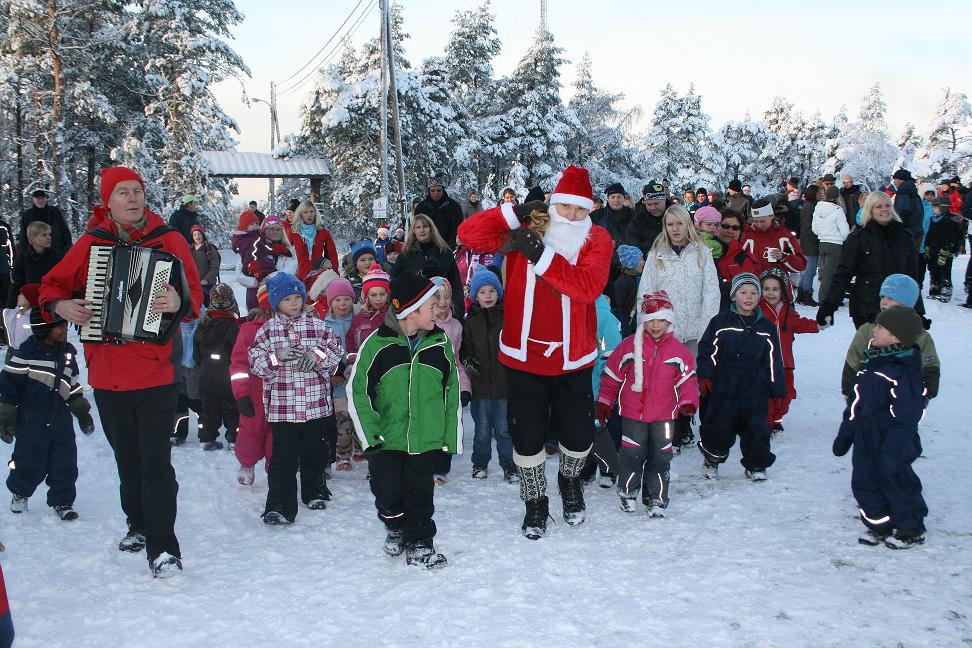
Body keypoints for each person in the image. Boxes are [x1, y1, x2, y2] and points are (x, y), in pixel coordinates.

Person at [39, 166, 203, 578]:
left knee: (156, 461)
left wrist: (175, 300)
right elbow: (50, 286)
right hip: (108, 373)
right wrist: (62, 307)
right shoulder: (93, 242)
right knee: (127, 459)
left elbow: (194, 296)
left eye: (137, 191)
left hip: (156, 371)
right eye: (123, 193)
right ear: (108, 202)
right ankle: (138, 524)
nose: (133, 198)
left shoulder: (169, 239)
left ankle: (164, 547)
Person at [457, 165, 613, 539]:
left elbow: (587, 286)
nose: (573, 216)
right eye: (566, 208)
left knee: (577, 437)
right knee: (526, 438)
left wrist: (539, 256)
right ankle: (535, 501)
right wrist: (513, 214)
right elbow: (468, 234)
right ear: (554, 204)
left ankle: (569, 483)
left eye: (581, 209)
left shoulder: (597, 239)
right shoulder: (528, 231)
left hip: (572, 357)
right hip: (523, 357)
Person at [347, 272, 460, 569]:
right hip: (387, 438)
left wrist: (450, 435)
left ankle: (421, 541)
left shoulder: (439, 342)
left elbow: (451, 390)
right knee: (388, 492)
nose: (438, 311)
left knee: (421, 492)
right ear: (411, 311)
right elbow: (358, 391)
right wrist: (370, 435)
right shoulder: (377, 344)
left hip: (425, 437)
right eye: (431, 306)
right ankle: (394, 524)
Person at [248, 272, 343, 525]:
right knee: (283, 456)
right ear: (276, 302)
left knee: (315, 450)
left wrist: (317, 358)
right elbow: (256, 363)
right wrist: (276, 357)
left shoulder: (318, 325)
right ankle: (279, 505)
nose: (293, 303)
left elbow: (336, 350)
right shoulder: (268, 331)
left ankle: (315, 490)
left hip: (315, 405)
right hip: (283, 407)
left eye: (297, 297)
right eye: (287, 298)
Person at [832, 306, 927, 549]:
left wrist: (894, 449)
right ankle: (878, 524)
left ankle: (910, 527)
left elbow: (907, 416)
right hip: (866, 436)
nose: (874, 329)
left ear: (897, 337)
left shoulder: (903, 372)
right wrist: (846, 432)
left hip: (894, 439)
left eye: (880, 327)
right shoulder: (870, 362)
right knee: (864, 480)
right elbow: (856, 402)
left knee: (896, 480)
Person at [597, 290, 698, 516]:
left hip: (664, 415)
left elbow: (688, 379)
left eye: (661, 319)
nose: (655, 325)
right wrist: (605, 401)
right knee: (632, 454)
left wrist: (689, 401)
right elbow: (612, 375)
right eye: (650, 320)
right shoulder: (629, 346)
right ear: (643, 321)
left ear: (669, 320)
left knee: (661, 457)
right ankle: (627, 491)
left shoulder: (678, 352)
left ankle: (656, 498)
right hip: (633, 413)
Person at [636, 204, 719, 450]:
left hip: (695, 329)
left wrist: (707, 327)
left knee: (689, 380)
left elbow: (711, 292)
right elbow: (646, 291)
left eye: (679, 223)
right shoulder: (657, 254)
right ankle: (669, 426)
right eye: (670, 224)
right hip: (665, 330)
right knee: (664, 379)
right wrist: (650, 323)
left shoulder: (701, 253)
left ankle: (684, 424)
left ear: (688, 225)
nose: (674, 228)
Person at [1, 309, 94, 520]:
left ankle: (62, 501)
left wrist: (81, 410)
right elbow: (9, 386)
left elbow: (71, 384)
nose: (64, 330)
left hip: (60, 418)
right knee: (27, 458)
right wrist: (6, 413)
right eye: (59, 326)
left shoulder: (67, 354)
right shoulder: (25, 354)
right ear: (45, 330)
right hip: (31, 418)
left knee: (65, 460)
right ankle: (20, 492)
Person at [696, 273, 786, 481]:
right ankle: (712, 459)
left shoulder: (766, 327)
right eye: (743, 292)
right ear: (734, 295)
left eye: (754, 292)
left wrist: (776, 388)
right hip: (724, 386)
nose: (749, 297)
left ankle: (756, 464)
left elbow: (773, 359)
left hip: (755, 388)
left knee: (757, 427)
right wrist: (706, 376)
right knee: (719, 425)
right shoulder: (720, 322)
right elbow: (707, 350)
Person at [817, 192, 924, 329]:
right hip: (866, 307)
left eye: (887, 205)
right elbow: (843, 274)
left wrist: (919, 311)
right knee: (871, 347)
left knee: (896, 349)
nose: (884, 209)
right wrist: (829, 306)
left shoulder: (904, 237)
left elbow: (912, 277)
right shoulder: (859, 238)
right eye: (878, 206)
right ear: (870, 210)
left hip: (898, 306)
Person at [841, 274, 939, 401]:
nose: (884, 301)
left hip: (905, 396)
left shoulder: (919, 335)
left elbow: (930, 364)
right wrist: (849, 389)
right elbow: (854, 357)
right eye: (882, 297)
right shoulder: (868, 329)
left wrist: (926, 393)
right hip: (868, 392)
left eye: (891, 298)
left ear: (906, 303)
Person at [462, 267, 513, 482]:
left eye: (492, 291)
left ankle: (509, 465)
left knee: (504, 429)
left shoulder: (508, 317)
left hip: (504, 386)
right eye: (482, 292)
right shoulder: (471, 322)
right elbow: (465, 348)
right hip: (481, 386)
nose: (488, 296)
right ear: (475, 296)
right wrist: (468, 361)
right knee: (482, 430)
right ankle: (480, 463)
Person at [758, 268, 820, 433]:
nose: (771, 293)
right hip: (764, 364)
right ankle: (767, 423)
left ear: (783, 291)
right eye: (766, 289)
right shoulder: (758, 311)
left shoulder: (787, 312)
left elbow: (800, 324)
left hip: (785, 363)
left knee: (786, 395)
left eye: (775, 289)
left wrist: (818, 325)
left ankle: (777, 418)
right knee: (767, 396)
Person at [230, 285, 273, 486]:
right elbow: (239, 365)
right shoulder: (249, 331)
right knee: (251, 431)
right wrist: (242, 394)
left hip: (283, 394)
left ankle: (276, 467)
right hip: (255, 394)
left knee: (278, 434)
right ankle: (247, 464)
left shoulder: (292, 329)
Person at [429, 277, 470, 484]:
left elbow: (458, 361)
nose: (443, 302)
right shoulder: (422, 324)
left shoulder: (456, 326)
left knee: (448, 426)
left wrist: (464, 388)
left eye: (447, 297)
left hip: (449, 385)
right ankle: (425, 463)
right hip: (427, 385)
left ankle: (441, 468)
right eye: (437, 297)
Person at [193, 284, 240, 451]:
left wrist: (202, 365)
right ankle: (234, 437)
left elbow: (196, 350)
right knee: (231, 405)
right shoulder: (232, 325)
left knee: (208, 405)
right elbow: (236, 349)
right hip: (226, 370)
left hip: (206, 370)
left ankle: (207, 437)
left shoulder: (204, 323)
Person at [389, 214, 464, 316]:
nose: (422, 230)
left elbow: (455, 284)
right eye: (418, 227)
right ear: (414, 231)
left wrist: (458, 313)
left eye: (425, 226)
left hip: (442, 310)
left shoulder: (445, 252)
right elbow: (394, 282)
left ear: (431, 229)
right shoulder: (406, 254)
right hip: (416, 312)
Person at [323, 279, 359, 471]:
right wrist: (332, 370)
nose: (342, 304)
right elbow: (321, 352)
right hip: (338, 383)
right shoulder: (325, 325)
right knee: (342, 418)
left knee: (359, 416)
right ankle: (343, 454)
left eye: (347, 299)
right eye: (337, 300)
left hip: (359, 379)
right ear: (330, 303)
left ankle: (360, 447)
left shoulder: (360, 320)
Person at [742, 197, 807, 283]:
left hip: (778, 289)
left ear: (772, 216)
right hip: (755, 286)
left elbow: (801, 265)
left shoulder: (785, 235)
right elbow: (738, 262)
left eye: (762, 221)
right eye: (756, 221)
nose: (759, 225)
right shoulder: (748, 235)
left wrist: (783, 257)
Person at [7, 221, 62, 308]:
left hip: (53, 302)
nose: (48, 238)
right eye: (44, 235)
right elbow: (17, 284)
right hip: (29, 304)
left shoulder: (58, 256)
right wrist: (10, 307)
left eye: (49, 234)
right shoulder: (23, 258)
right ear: (32, 238)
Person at [812, 185, 849, 302]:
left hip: (822, 243)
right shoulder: (838, 211)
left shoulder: (818, 208)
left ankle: (827, 297)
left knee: (825, 273)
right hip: (835, 245)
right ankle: (825, 299)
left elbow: (814, 229)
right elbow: (845, 232)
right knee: (830, 275)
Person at [345, 264, 391, 356]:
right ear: (367, 296)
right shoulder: (359, 319)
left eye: (382, 294)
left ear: (388, 294)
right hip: (364, 365)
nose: (378, 299)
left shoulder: (392, 316)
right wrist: (353, 363)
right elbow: (352, 346)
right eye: (373, 295)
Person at [924, 197, 963, 302]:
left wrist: (946, 250)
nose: (934, 209)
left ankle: (945, 292)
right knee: (934, 270)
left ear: (943, 208)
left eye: (936, 207)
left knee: (945, 271)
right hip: (933, 249)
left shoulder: (950, 221)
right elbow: (929, 234)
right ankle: (934, 290)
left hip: (945, 252)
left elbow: (950, 237)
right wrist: (927, 246)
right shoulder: (933, 220)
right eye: (933, 207)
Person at [290, 200, 338, 280]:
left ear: (315, 213)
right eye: (306, 212)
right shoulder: (293, 232)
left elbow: (332, 255)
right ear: (301, 214)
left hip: (318, 276)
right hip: (299, 276)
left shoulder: (323, 232)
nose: (309, 215)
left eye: (311, 211)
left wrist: (335, 273)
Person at [19, 189, 72, 255]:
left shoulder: (54, 211)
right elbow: (24, 236)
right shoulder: (28, 215)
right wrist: (23, 254)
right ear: (33, 200)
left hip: (57, 251)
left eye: (42, 198)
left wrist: (67, 248)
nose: (41, 201)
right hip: (37, 254)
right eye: (38, 199)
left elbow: (64, 230)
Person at [416, 178, 463, 250]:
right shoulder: (421, 207)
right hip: (425, 249)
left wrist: (451, 246)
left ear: (443, 190)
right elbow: (416, 228)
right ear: (429, 191)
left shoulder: (454, 207)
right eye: (432, 190)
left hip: (447, 248)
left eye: (438, 190)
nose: (435, 193)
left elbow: (457, 228)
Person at [231, 210, 263, 309]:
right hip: (252, 267)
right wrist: (254, 267)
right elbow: (249, 255)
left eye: (256, 224)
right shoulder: (245, 240)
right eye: (252, 224)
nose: (255, 226)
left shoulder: (253, 235)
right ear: (245, 226)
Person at [796, 185, 821, 305]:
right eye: (818, 193)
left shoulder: (808, 206)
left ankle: (801, 294)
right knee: (809, 271)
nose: (820, 194)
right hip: (809, 243)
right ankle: (806, 294)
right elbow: (807, 227)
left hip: (807, 242)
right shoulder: (810, 207)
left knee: (806, 271)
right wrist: (815, 239)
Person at [627, 182, 668, 254]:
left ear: (664, 200)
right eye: (649, 204)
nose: (653, 208)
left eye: (656, 204)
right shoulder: (638, 220)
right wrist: (638, 259)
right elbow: (632, 242)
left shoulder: (677, 215)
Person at [612, 244, 644, 334]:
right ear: (632, 262)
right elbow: (619, 309)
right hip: (624, 328)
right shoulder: (624, 282)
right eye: (641, 259)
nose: (644, 262)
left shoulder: (634, 279)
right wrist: (625, 328)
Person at [891, 169, 924, 249]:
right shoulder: (914, 192)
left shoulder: (903, 192)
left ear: (902, 180)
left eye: (895, 179)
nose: (894, 182)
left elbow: (902, 212)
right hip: (917, 232)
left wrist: (895, 229)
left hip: (907, 233)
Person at [189, 224, 220, 306]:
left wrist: (206, 279)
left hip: (207, 285)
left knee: (208, 307)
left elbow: (215, 267)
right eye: (194, 234)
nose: (197, 236)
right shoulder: (189, 249)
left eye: (199, 234)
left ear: (203, 235)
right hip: (194, 285)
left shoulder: (209, 249)